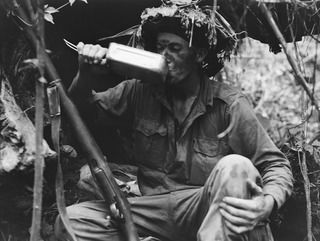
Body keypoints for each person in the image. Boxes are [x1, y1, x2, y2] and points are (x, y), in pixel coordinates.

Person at [55, 2, 293, 241]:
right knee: (73, 221)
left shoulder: (229, 105)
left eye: (174, 48)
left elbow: (275, 164)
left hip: (205, 208)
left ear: (198, 54)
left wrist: (268, 202)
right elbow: (82, 114)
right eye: (160, 48)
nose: (164, 57)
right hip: (153, 210)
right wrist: (85, 74)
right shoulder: (139, 92)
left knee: (236, 166)